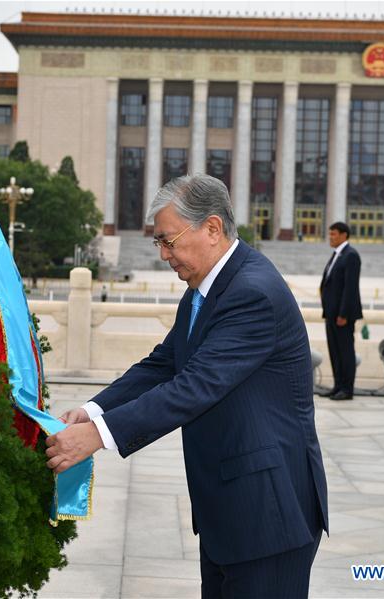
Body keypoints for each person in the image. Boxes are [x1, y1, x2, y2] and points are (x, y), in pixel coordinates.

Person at [45, 175, 328, 599]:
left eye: (168, 240)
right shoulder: (205, 289)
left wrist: (98, 437)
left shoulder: (252, 293)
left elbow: (195, 386)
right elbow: (164, 364)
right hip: (230, 508)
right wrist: (94, 410)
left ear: (212, 229)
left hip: (269, 511)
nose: (163, 254)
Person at [319, 222, 363, 400]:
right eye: (330, 234)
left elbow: (350, 288)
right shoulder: (337, 255)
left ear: (344, 235)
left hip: (342, 315)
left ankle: (347, 388)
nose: (331, 237)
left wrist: (343, 314)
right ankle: (338, 386)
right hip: (331, 313)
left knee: (345, 352)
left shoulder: (351, 256)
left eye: (334, 234)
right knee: (334, 351)